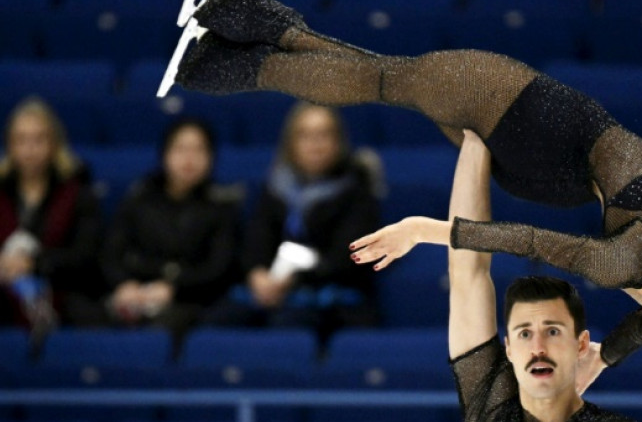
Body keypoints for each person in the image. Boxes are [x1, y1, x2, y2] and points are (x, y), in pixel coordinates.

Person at [171, 0, 642, 392]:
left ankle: (215, 59)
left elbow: (528, 240)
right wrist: (604, 361)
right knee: (399, 79)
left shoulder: (631, 263)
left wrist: (426, 230)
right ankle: (240, 17)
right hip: (562, 169)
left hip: (546, 132)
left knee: (390, 81)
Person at [445, 129, 637, 422]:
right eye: (524, 333)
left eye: (553, 331)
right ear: (508, 349)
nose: (538, 349)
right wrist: (476, 139)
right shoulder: (490, 407)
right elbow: (466, 274)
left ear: (581, 345)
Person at [203, 103, 380, 341]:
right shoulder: (275, 187)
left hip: (333, 297)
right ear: (291, 143)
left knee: (287, 328)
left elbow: (346, 257)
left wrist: (293, 279)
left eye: (323, 135)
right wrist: (257, 273)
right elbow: (257, 238)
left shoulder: (357, 192)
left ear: (338, 141)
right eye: (305, 135)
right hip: (272, 290)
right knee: (216, 324)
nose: (315, 145)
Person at [100, 118, 238, 340]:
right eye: (180, 149)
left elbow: (219, 269)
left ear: (211, 157)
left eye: (198, 150)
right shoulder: (138, 200)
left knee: (168, 327)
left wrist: (174, 289)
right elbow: (111, 253)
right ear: (164, 154)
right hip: (134, 292)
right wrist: (124, 284)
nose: (189, 159)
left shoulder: (222, 207)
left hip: (191, 301)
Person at [0, 97, 102, 338]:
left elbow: (86, 257)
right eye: (21, 140)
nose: (29, 149)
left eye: (39, 139)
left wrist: (34, 263)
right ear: (9, 145)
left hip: (62, 292)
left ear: (55, 143)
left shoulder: (78, 193)